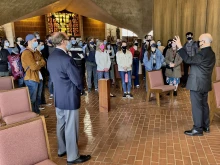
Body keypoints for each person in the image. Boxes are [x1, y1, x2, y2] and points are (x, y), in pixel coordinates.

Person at [47, 32, 91, 164]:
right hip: (70, 96)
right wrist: (81, 89)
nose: (69, 41)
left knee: (61, 123)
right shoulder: (66, 59)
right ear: (62, 42)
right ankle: (72, 156)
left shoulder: (51, 57)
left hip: (58, 95)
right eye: (67, 39)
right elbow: (76, 79)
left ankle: (62, 149)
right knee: (71, 126)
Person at [174, 33, 215, 136]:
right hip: (205, 83)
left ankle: (197, 129)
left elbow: (188, 60)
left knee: (197, 106)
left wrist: (180, 47)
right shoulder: (212, 53)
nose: (198, 43)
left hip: (197, 84)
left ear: (204, 42)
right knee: (204, 105)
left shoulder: (202, 54)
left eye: (199, 41)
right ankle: (206, 126)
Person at [21, 34, 46, 115]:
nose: (36, 42)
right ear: (29, 41)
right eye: (34, 41)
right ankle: (32, 115)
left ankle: (37, 113)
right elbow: (34, 67)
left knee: (38, 97)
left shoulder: (36, 51)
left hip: (39, 77)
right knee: (32, 98)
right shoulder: (26, 53)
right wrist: (38, 63)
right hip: (31, 78)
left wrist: (38, 62)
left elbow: (44, 62)